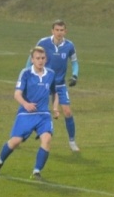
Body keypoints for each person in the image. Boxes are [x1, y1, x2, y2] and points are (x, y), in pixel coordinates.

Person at [0, 46, 55, 181]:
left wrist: (55, 107)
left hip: (43, 114)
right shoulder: (25, 73)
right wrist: (26, 104)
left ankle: (36, 172)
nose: (40, 61)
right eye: (37, 58)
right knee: (15, 142)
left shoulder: (50, 74)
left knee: (47, 139)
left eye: (43, 58)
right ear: (32, 60)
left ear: (46, 59)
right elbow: (17, 94)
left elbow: (56, 91)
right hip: (26, 113)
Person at [32, 20, 80, 152]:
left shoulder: (69, 46)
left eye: (61, 30)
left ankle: (72, 141)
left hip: (60, 85)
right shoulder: (43, 43)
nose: (59, 32)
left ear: (65, 31)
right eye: (57, 30)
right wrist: (27, 74)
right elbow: (31, 59)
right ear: (52, 31)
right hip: (44, 83)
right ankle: (21, 135)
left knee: (68, 112)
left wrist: (75, 75)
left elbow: (75, 62)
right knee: (33, 109)